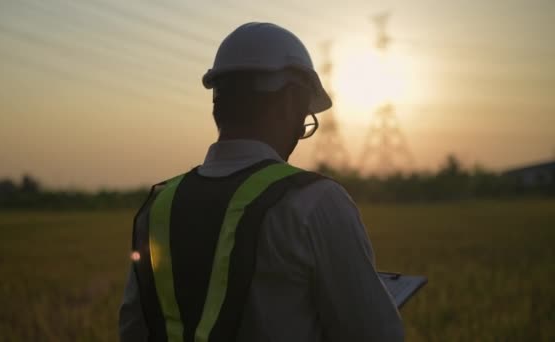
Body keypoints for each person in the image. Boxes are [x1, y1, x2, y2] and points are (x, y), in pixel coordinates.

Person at [119, 22, 403, 342]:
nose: (300, 133)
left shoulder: (160, 206)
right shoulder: (316, 202)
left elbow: (134, 328)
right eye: (304, 120)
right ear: (290, 103)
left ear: (217, 106)